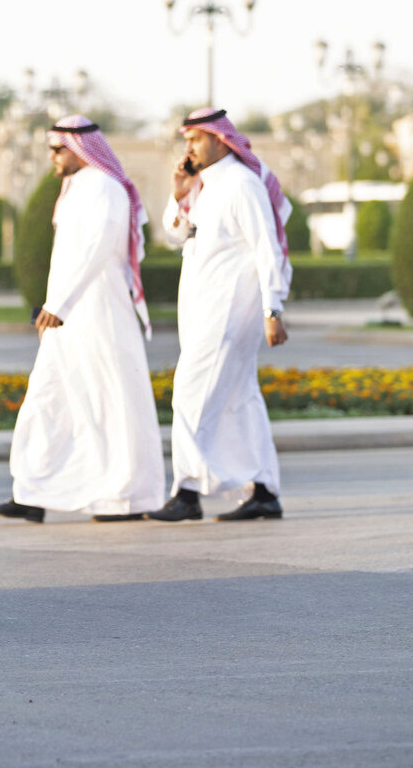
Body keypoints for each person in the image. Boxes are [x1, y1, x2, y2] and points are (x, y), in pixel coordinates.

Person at [0, 115, 166, 523]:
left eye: (58, 148)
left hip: (99, 310)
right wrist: (57, 305)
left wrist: (60, 304)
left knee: (109, 399)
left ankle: (125, 499)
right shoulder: (75, 188)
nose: (52, 157)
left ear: (80, 148)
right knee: (46, 398)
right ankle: (32, 494)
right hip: (65, 315)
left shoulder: (105, 187)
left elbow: (98, 249)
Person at [147, 107, 291, 522]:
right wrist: (179, 192)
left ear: (218, 139)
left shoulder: (242, 185)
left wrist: (272, 308)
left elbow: (269, 248)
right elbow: (178, 234)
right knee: (241, 398)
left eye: (194, 139)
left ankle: (187, 492)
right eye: (186, 140)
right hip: (205, 308)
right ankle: (265, 490)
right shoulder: (207, 187)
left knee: (189, 392)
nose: (188, 148)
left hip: (230, 310)